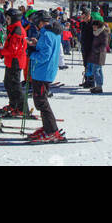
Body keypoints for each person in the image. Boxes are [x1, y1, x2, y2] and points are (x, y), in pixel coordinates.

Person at [27, 11, 67, 142]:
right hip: (44, 71)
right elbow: (46, 48)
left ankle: (52, 130)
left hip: (42, 72)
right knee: (40, 101)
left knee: (42, 102)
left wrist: (31, 53)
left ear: (40, 22)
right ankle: (47, 127)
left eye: (35, 23)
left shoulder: (47, 34)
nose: (35, 26)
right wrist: (36, 44)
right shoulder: (51, 33)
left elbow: (44, 55)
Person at [0, 9, 29, 118]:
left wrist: (1, 51)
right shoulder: (13, 29)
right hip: (11, 60)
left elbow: (13, 49)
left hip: (16, 60)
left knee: (15, 85)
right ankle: (13, 104)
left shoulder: (17, 30)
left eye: (8, 18)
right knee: (8, 83)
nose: (6, 20)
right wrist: (2, 52)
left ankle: (22, 108)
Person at [84, 13, 108, 93]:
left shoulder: (103, 33)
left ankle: (99, 87)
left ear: (99, 26)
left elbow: (104, 45)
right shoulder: (96, 32)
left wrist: (96, 50)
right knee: (98, 70)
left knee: (96, 71)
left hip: (99, 54)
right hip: (95, 54)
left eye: (95, 26)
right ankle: (98, 86)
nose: (93, 27)